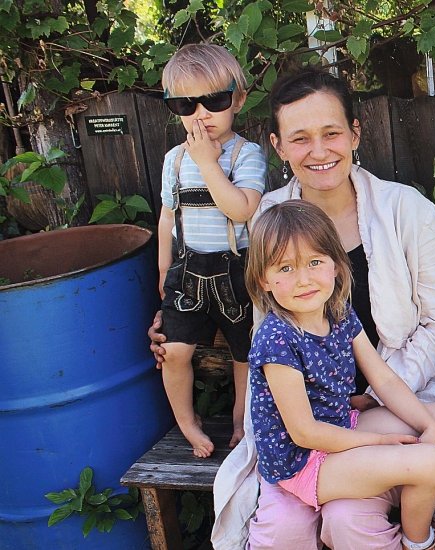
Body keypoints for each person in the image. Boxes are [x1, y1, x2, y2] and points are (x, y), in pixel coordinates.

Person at [149, 67, 435, 550]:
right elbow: (257, 318)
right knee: (306, 523)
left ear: (355, 134)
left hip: (409, 385)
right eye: (300, 138)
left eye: (331, 133)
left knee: (362, 507)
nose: (319, 151)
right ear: (278, 146)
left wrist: (375, 398)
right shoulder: (270, 218)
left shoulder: (408, 210)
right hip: (314, 414)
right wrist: (173, 315)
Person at [244, 200, 435, 550]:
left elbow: (385, 379)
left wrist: (427, 424)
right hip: (303, 463)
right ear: (264, 279)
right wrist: (379, 443)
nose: (303, 279)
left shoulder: (338, 313)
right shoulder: (276, 339)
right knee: (428, 462)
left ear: (335, 265)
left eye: (315, 262)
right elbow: (305, 432)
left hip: (341, 427)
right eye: (285, 268)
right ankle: (418, 544)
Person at [157, 43, 267, 457]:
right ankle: (187, 421)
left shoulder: (246, 154)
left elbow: (241, 207)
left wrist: (208, 164)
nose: (201, 114)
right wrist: (164, 275)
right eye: (187, 104)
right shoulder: (173, 160)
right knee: (173, 351)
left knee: (245, 351)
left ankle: (242, 417)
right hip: (187, 270)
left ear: (237, 99)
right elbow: (169, 219)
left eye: (215, 100)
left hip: (236, 270)